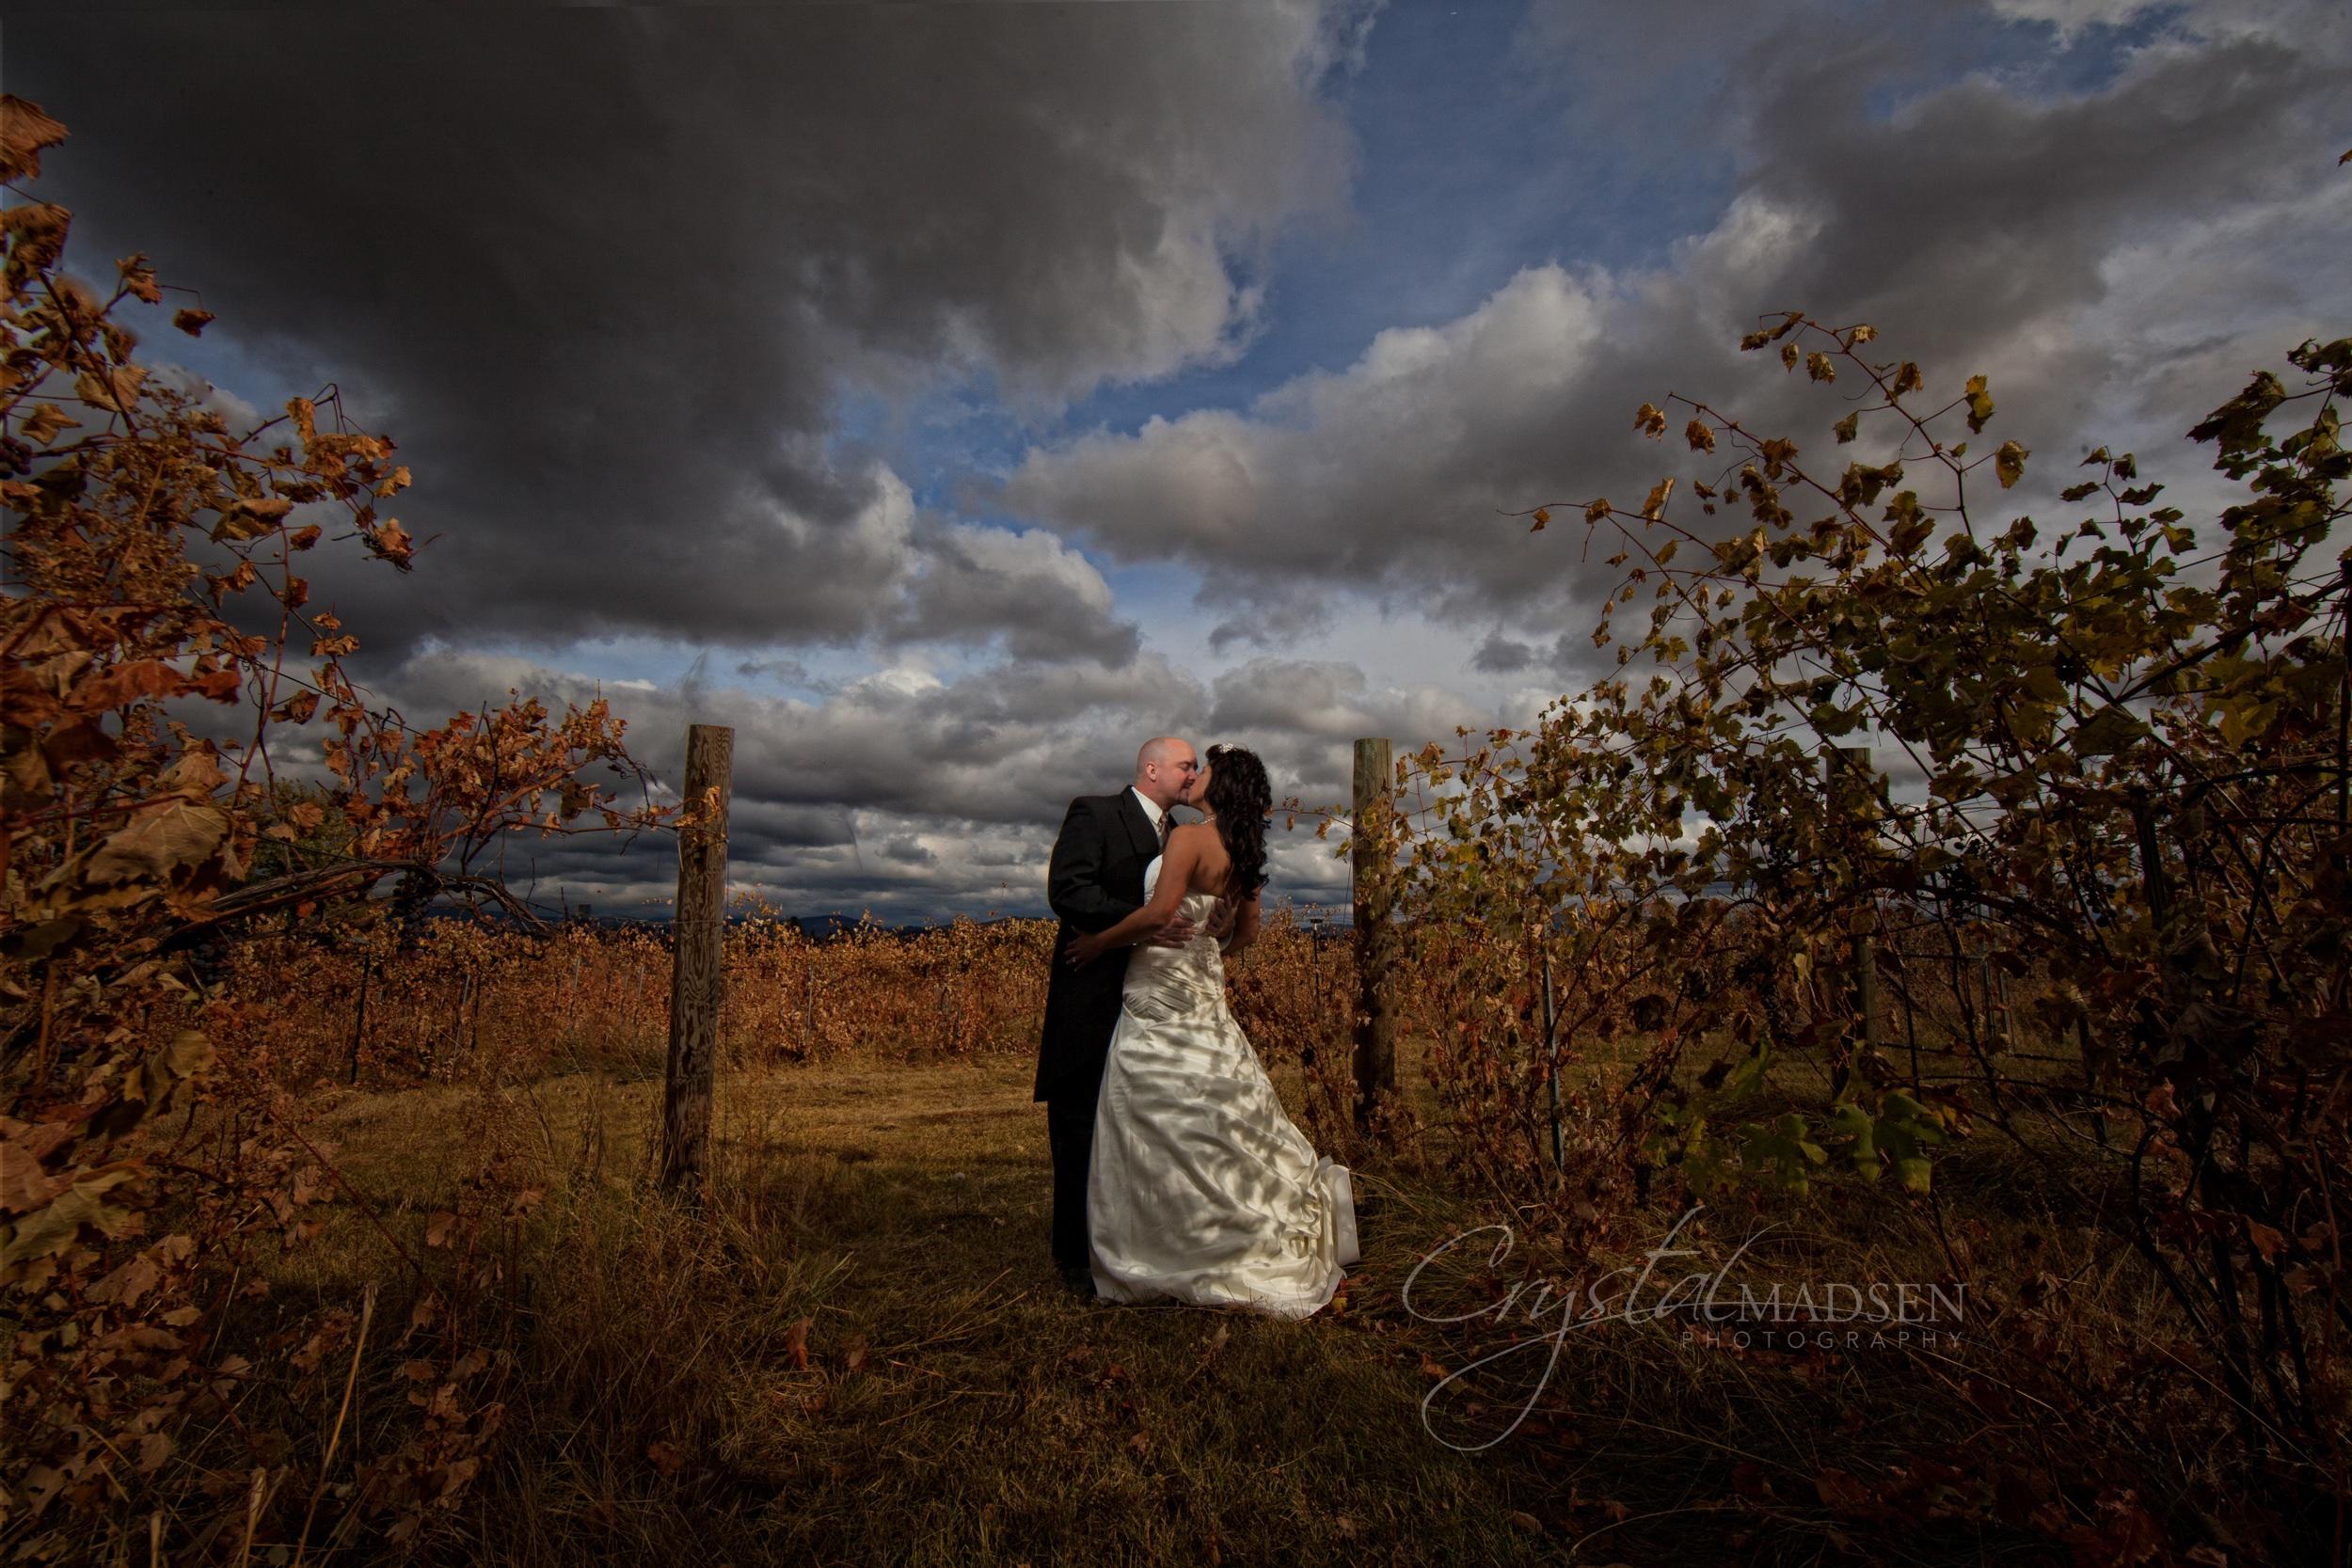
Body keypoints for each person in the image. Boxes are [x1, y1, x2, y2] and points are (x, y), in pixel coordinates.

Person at [1065, 743, 1361, 1319]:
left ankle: (1161, 1239)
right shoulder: (1242, 850)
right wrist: (1211, 937)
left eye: (1204, 770)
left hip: (1156, 984)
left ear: (1220, 785)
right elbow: (1246, 936)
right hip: (1202, 983)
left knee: (1150, 1105)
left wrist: (1097, 943)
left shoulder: (1189, 837)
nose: (1194, 775)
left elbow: (1157, 914)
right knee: (1216, 1100)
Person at [1036, 736, 1206, 1295]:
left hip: (1152, 997)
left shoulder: (1183, 837)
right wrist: (1146, 920)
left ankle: (1131, 1240)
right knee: (1081, 1120)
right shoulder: (1096, 811)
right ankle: (1075, 1257)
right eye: (1185, 766)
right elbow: (1068, 890)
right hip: (1094, 992)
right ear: (1151, 769)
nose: (1192, 774)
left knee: (1138, 1124)